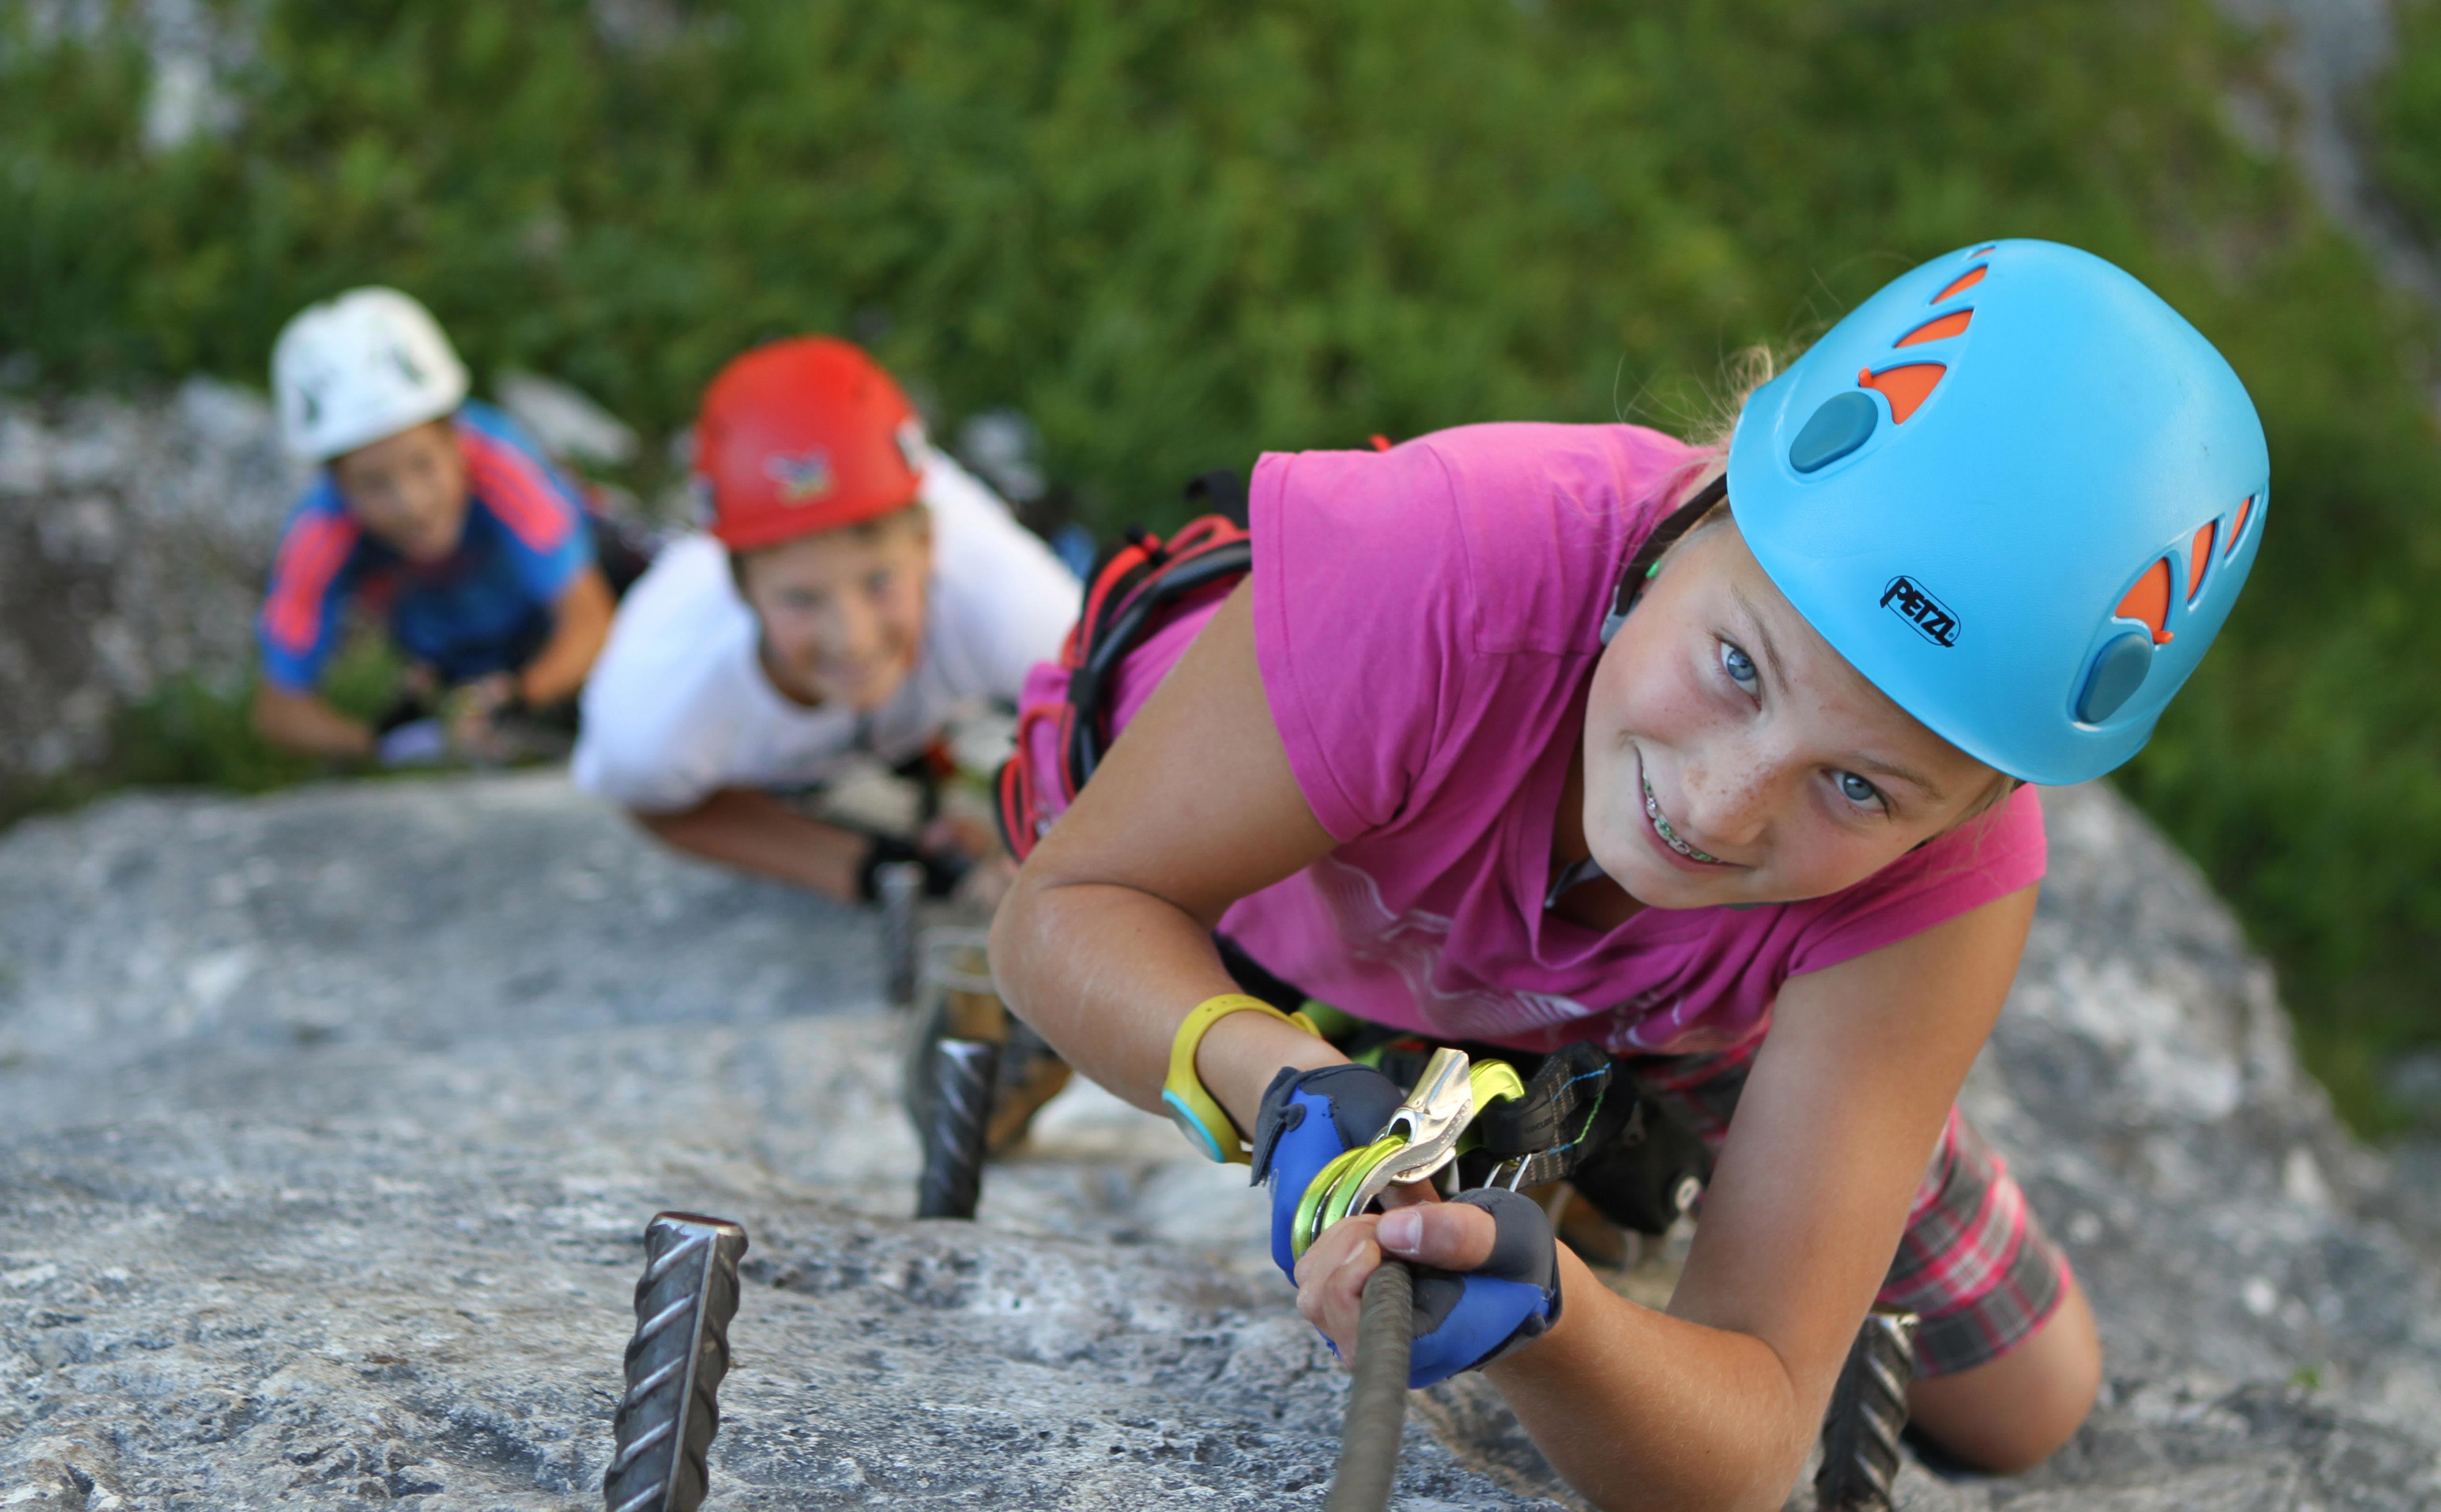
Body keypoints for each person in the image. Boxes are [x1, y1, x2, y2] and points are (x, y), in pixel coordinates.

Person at [990, 241, 2269, 1506]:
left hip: (1656, 985)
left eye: (1860, 786)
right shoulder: (1445, 563)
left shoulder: (1942, 885)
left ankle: (1597, 1119)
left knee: (2022, 1402)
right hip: (1270, 891)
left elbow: (1756, 1430)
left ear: (1982, 807)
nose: (1715, 809)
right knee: (1123, 975)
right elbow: (1063, 912)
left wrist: (1553, 1318)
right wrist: (1274, 1081)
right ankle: (1553, 1110)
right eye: (1738, 667)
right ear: (1705, 507)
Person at [572, 336, 1080, 906]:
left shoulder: (1013, 605)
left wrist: (1045, 847)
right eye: (801, 600)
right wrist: (871, 868)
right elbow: (659, 805)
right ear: (739, 590)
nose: (853, 639)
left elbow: (1131, 730)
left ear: (929, 546)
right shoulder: (654, 718)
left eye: (879, 582)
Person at [254, 288, 616, 766]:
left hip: (542, 631)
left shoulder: (505, 467)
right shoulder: (318, 535)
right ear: (334, 482)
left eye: (423, 466)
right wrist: (381, 741)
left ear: (458, 437)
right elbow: (278, 710)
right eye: (373, 484)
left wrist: (522, 694)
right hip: (452, 661)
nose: (411, 504)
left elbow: (591, 622)